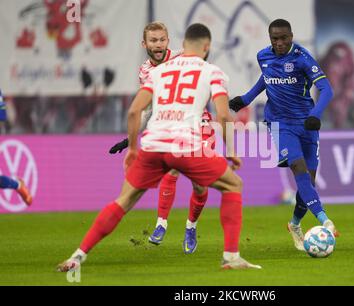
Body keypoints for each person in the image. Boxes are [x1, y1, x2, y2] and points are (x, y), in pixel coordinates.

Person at [57, 23, 261, 271]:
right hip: (186, 144)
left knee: (123, 200)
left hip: (153, 143)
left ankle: (77, 256)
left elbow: (134, 111)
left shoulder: (158, 72)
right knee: (233, 184)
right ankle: (231, 258)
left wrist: (132, 148)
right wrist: (230, 150)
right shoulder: (212, 71)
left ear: (180, 45)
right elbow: (224, 115)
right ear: (206, 47)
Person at [229, 19, 338, 252]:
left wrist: (316, 114)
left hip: (306, 123)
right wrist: (246, 99)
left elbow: (327, 89)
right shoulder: (263, 56)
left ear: (291, 36)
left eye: (283, 38)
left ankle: (295, 224)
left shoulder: (302, 58)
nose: (279, 43)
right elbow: (266, 78)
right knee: (297, 167)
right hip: (279, 122)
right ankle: (324, 220)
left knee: (308, 180)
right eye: (274, 39)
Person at [109, 22, 215, 254]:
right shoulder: (145, 71)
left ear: (168, 40)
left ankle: (191, 227)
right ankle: (161, 224)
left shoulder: (182, 57)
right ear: (144, 43)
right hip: (172, 125)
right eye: (153, 40)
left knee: (200, 185)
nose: (158, 45)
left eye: (162, 40)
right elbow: (148, 108)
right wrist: (131, 138)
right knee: (173, 169)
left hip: (200, 123)